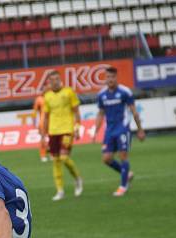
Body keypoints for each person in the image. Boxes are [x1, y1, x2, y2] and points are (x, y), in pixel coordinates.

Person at [94, 66, 146, 197]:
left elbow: (134, 112)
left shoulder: (125, 92)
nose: (110, 79)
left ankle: (123, 186)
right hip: (109, 130)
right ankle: (127, 174)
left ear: (116, 77)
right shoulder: (101, 95)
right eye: (107, 77)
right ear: (105, 78)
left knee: (123, 156)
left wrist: (140, 130)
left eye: (112, 77)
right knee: (106, 159)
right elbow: (100, 113)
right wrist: (96, 131)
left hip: (123, 128)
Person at [41, 71, 84, 201]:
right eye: (52, 80)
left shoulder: (69, 92)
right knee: (56, 161)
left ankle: (77, 178)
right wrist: (44, 134)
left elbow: (76, 112)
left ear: (60, 80)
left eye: (57, 79)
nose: (55, 81)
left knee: (64, 158)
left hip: (67, 129)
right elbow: (46, 116)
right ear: (49, 82)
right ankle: (60, 190)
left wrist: (77, 128)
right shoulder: (47, 96)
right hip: (53, 131)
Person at [32, 81, 50, 162]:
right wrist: (34, 122)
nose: (46, 90)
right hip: (42, 122)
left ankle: (52, 154)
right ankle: (43, 155)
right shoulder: (39, 99)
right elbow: (34, 111)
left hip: (52, 122)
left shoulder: (51, 97)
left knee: (52, 139)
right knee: (43, 138)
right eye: (44, 88)